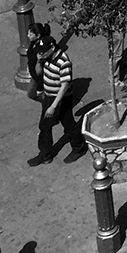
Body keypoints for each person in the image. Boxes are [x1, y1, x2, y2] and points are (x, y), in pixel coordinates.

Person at [26, 22, 86, 167]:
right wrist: (39, 62)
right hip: (49, 96)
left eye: (43, 52)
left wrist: (53, 106)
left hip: (59, 99)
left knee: (48, 126)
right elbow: (39, 73)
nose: (41, 54)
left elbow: (64, 86)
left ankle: (49, 154)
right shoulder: (45, 57)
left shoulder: (64, 62)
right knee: (66, 124)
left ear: (52, 48)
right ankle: (75, 147)